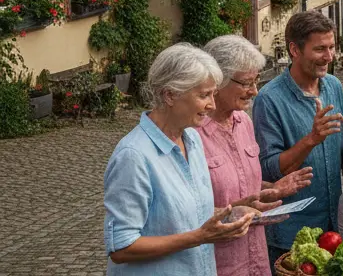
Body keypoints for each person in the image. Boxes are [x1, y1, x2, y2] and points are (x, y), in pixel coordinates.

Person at [103, 44, 256, 276]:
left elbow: (185, 212)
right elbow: (121, 246)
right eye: (204, 95)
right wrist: (199, 237)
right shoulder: (133, 156)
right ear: (170, 95)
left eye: (213, 94)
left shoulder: (192, 139)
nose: (212, 105)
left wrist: (233, 211)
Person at [198, 35, 314, 276]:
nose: (254, 90)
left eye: (256, 80)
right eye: (246, 83)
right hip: (220, 264)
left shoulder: (244, 123)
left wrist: (272, 188)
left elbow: (238, 182)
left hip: (256, 261)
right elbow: (187, 210)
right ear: (217, 81)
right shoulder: (193, 134)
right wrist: (233, 210)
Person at [253, 12, 343, 267]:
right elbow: (269, 169)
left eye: (331, 47)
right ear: (294, 49)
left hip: (332, 227)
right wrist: (311, 140)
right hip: (290, 234)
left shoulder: (334, 86)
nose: (329, 57)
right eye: (320, 49)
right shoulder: (269, 99)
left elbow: (342, 151)